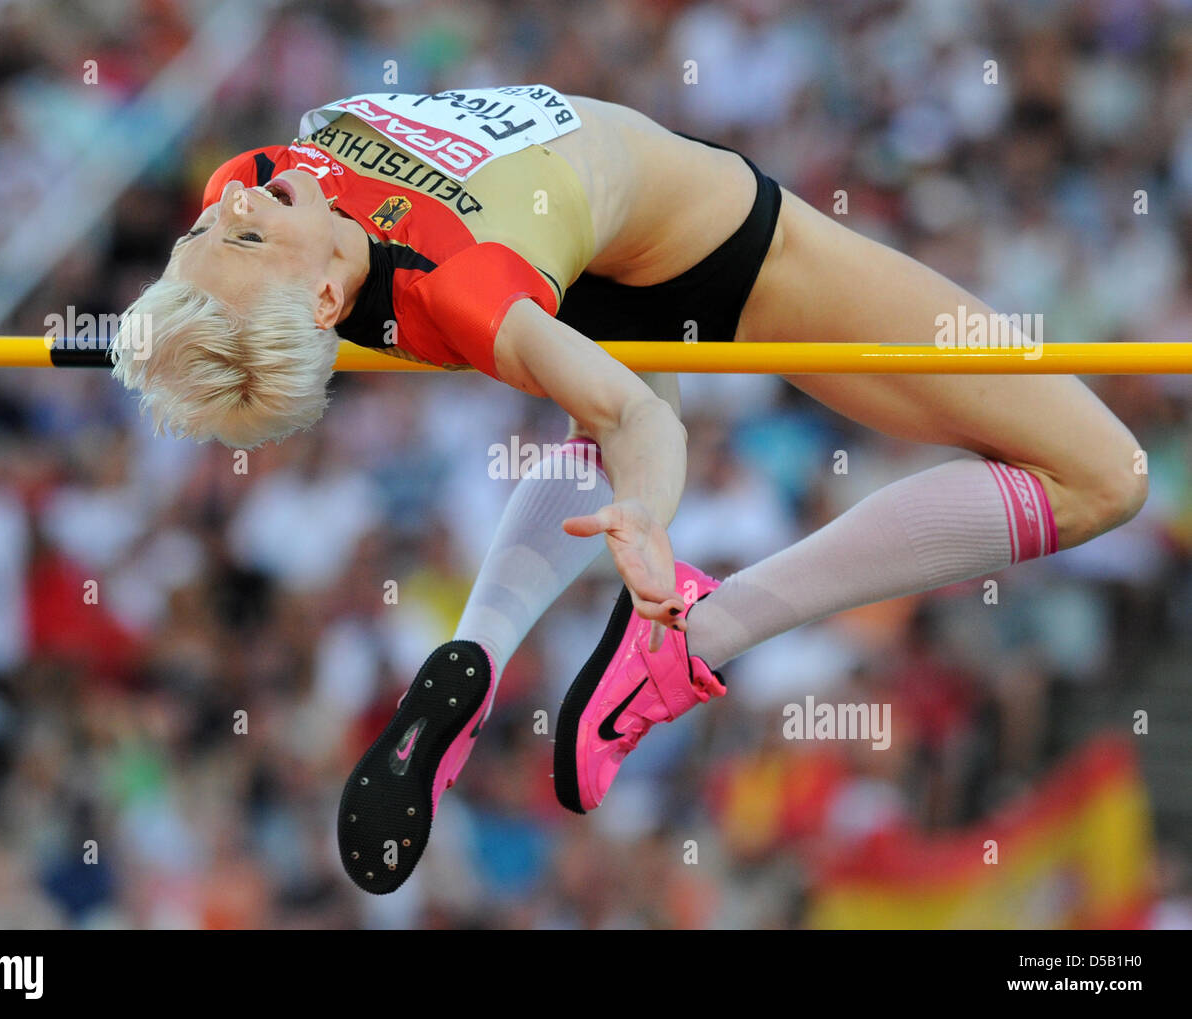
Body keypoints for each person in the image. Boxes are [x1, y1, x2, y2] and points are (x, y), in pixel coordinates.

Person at [110, 85, 1147, 894]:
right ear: (328, 297)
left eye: (207, 234)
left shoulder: (246, 182)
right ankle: (695, 637)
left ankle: (473, 646)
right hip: (727, 258)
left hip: (583, 260)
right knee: (1105, 476)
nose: (232, 206)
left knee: (591, 364)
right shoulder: (463, 287)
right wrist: (645, 521)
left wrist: (193, 296)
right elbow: (636, 421)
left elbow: (252, 260)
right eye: (242, 236)